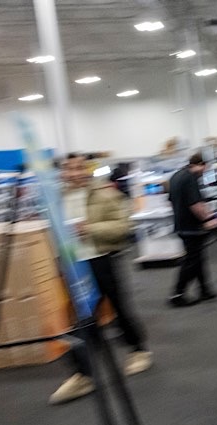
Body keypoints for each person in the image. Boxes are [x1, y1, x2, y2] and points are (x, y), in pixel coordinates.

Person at [49, 153, 153, 405]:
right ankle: (82, 373)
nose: (73, 173)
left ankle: (138, 350)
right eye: (68, 169)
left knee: (118, 307)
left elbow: (124, 226)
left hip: (101, 259)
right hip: (75, 265)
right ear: (63, 172)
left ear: (86, 169)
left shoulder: (106, 193)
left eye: (78, 168)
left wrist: (90, 228)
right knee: (83, 318)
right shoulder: (57, 198)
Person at [168, 152, 217, 307]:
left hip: (181, 224)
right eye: (205, 168)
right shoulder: (190, 178)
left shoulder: (176, 176)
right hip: (192, 227)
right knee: (191, 261)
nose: (205, 171)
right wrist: (208, 219)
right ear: (201, 165)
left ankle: (204, 289)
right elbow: (195, 205)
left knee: (198, 258)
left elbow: (172, 201)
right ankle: (177, 294)